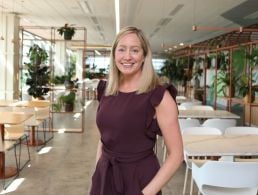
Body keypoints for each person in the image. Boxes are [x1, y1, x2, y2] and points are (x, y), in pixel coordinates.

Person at [90, 26, 183, 195]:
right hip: (105, 176)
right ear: (114, 54)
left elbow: (176, 155)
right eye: (121, 50)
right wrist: (99, 171)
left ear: (144, 56)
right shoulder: (107, 89)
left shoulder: (159, 96)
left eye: (134, 50)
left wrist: (145, 193)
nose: (127, 56)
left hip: (140, 181)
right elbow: (105, 137)